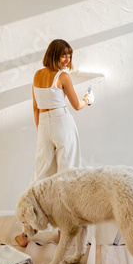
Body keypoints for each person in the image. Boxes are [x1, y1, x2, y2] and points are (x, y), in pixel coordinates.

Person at [15, 38, 94, 247]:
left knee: (40, 176)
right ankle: (64, 233)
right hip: (63, 123)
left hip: (44, 124)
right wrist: (89, 99)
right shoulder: (63, 77)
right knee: (67, 177)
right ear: (54, 54)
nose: (67, 59)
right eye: (63, 55)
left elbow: (35, 107)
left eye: (69, 55)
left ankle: (26, 232)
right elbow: (77, 106)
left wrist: (42, 130)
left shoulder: (38, 75)